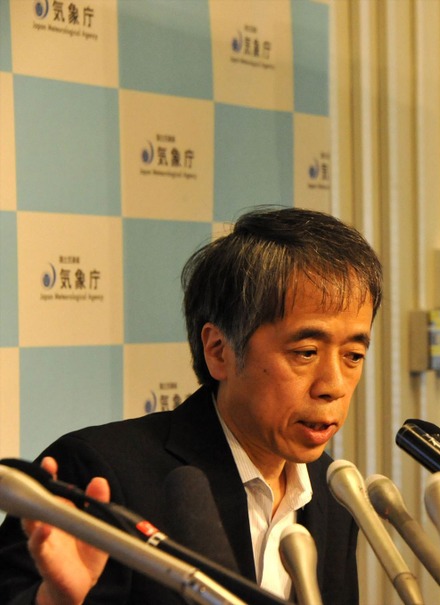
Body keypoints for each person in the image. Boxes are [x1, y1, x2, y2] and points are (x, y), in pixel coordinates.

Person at [0, 206, 383, 604]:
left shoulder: (332, 494)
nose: (334, 386)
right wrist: (54, 600)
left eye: (353, 356)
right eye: (305, 352)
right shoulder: (100, 475)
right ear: (219, 351)